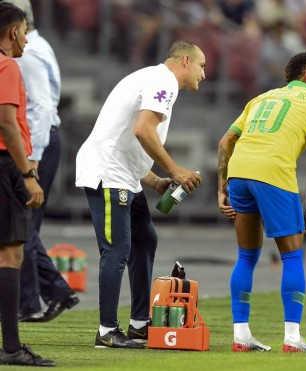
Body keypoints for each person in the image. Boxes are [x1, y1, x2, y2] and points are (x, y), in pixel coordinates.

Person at [75, 40, 205, 349]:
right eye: (202, 66)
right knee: (117, 249)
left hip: (124, 175)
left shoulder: (151, 78)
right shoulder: (164, 82)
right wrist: (175, 170)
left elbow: (122, 134)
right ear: (185, 61)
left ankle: (138, 325)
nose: (204, 74)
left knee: (146, 239)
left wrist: (154, 180)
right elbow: (143, 131)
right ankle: (106, 332)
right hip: (108, 174)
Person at [217, 51, 306, 353]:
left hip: (239, 173)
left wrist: (222, 189)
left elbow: (224, 142)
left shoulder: (260, 98)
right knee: (292, 257)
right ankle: (293, 338)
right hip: (274, 174)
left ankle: (241, 335)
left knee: (246, 256)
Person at [2, 0, 79, 323]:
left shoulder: (27, 55)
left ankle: (29, 300)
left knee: (23, 226)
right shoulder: (39, 47)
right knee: (23, 226)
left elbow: (41, 109)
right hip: (34, 143)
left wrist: (30, 163)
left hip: (33, 145)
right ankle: (48, 293)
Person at [0, 2, 55, 366]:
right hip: (6, 166)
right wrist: (28, 174)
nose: (26, 38)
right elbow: (7, 122)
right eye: (23, 31)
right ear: (13, 32)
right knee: (10, 254)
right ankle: (12, 348)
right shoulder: (7, 65)